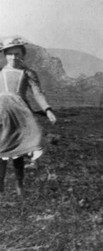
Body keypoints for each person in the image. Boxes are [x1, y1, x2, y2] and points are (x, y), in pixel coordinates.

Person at [0, 37, 57, 196]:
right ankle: (0, 189)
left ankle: (20, 187)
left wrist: (47, 110)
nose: (13, 57)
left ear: (23, 54)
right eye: (9, 54)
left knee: (19, 148)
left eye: (17, 54)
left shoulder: (28, 73)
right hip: (1, 113)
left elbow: (37, 93)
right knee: (1, 149)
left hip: (19, 113)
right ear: (5, 55)